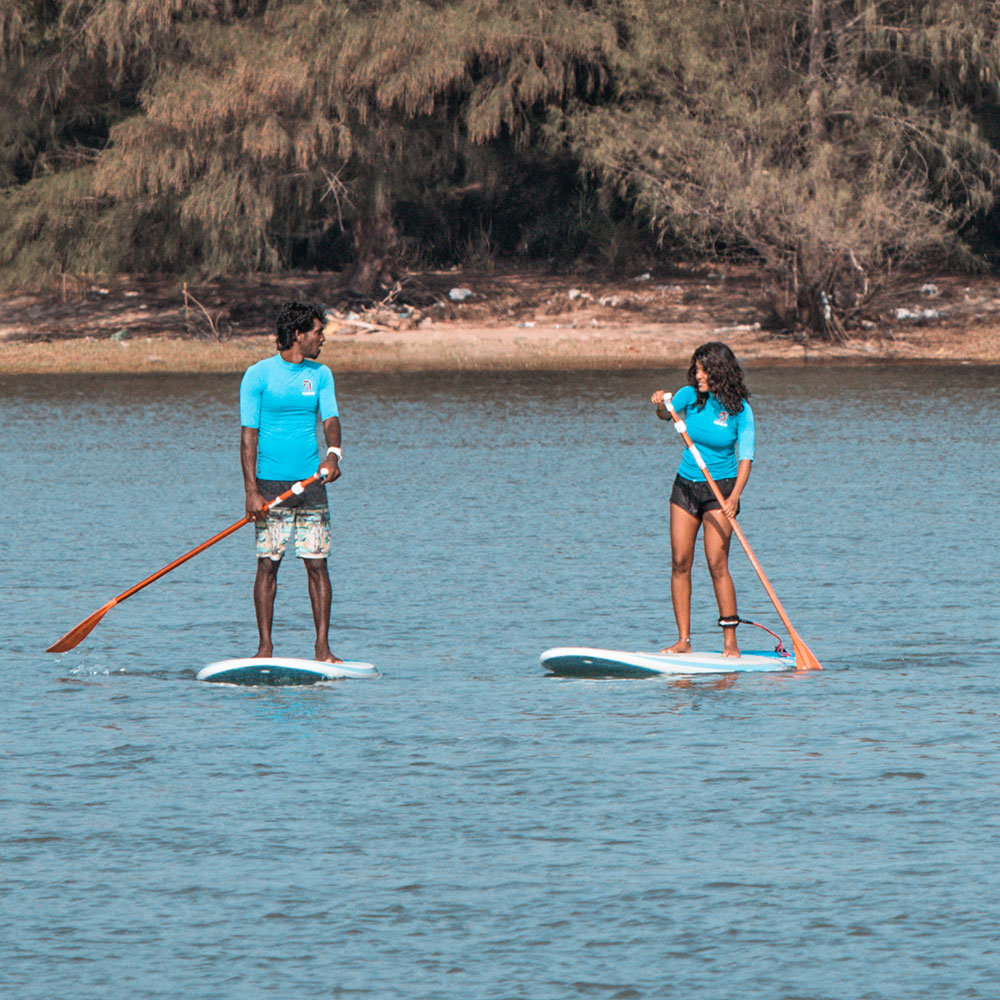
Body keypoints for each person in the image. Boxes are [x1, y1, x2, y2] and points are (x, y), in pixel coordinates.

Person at [240, 301, 343, 662]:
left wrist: (333, 455)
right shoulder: (258, 375)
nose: (322, 339)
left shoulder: (321, 375)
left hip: (312, 485)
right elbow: (248, 436)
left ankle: (322, 649)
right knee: (268, 564)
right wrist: (251, 492)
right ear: (298, 334)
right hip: (270, 488)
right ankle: (264, 648)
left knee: (317, 564)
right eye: (318, 332)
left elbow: (330, 418)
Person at [650, 341, 754, 657]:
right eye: (695, 369)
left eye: (703, 370)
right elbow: (665, 414)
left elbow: (746, 459)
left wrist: (734, 498)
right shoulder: (689, 396)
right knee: (680, 562)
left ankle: (730, 643)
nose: (698, 376)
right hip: (685, 485)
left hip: (721, 490)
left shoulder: (740, 410)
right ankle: (683, 640)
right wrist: (660, 403)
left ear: (719, 371)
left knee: (716, 564)